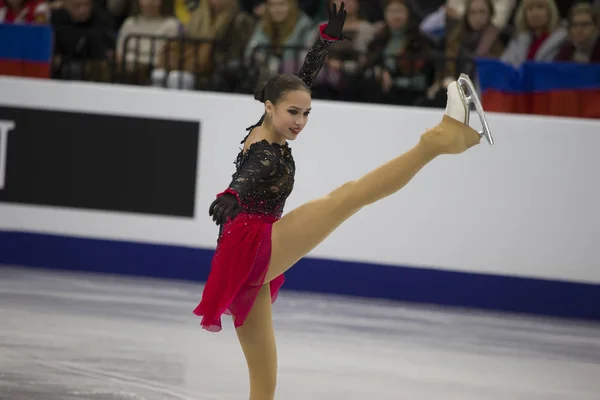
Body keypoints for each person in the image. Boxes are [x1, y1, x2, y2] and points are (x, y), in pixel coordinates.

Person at [193, 2, 493, 399]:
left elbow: (299, 81)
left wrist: (323, 42)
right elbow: (249, 173)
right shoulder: (265, 146)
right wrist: (233, 193)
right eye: (293, 113)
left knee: (263, 380)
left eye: (306, 113)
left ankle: (446, 139)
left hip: (245, 249)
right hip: (252, 242)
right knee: (349, 197)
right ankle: (438, 140)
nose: (299, 121)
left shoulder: (274, 117)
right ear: (269, 108)